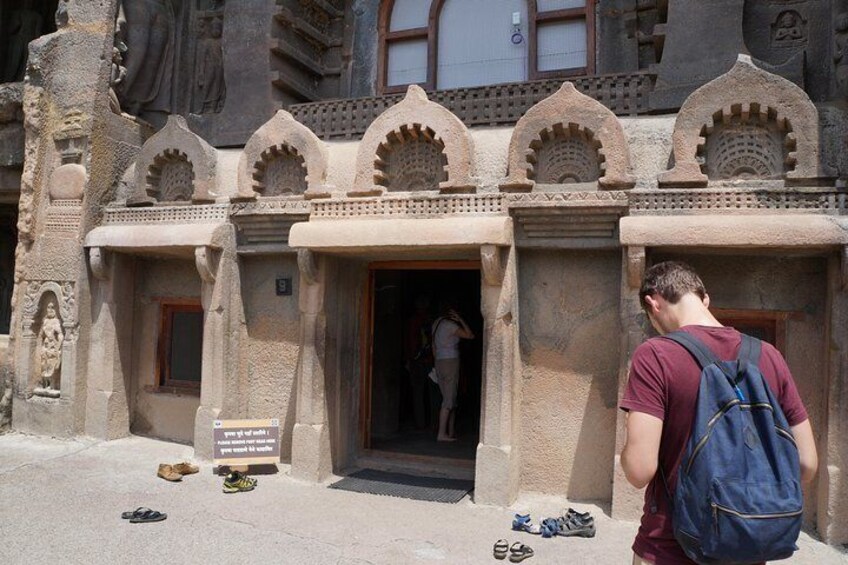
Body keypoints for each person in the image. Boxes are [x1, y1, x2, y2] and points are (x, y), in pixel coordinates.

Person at [619, 261, 818, 565]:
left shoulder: (655, 354)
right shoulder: (769, 355)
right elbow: (806, 464)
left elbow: (639, 470)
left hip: (673, 546)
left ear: (652, 303)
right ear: (705, 299)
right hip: (749, 544)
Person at [431, 299, 474, 442]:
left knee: (448, 397)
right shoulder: (450, 325)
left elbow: (433, 346)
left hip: (439, 361)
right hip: (450, 361)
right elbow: (470, 335)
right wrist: (461, 320)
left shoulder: (436, 323)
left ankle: (450, 431)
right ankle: (441, 434)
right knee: (449, 400)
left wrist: (436, 362)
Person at [404, 295, 433, 430]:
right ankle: (435, 423)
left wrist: (408, 359)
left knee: (418, 392)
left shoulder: (413, 321)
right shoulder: (432, 320)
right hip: (431, 359)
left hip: (417, 360)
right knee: (434, 392)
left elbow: (410, 341)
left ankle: (420, 423)